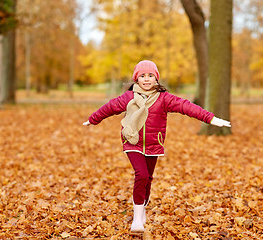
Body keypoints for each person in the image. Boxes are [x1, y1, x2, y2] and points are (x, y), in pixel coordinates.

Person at [82, 60, 231, 234]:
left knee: (149, 178)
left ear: (156, 79)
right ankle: (137, 218)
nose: (146, 79)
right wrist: (93, 119)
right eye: (143, 76)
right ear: (136, 79)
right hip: (132, 141)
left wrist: (210, 119)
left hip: (154, 143)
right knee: (142, 175)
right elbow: (109, 107)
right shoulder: (129, 97)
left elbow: (187, 107)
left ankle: (142, 209)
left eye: (150, 76)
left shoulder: (164, 99)